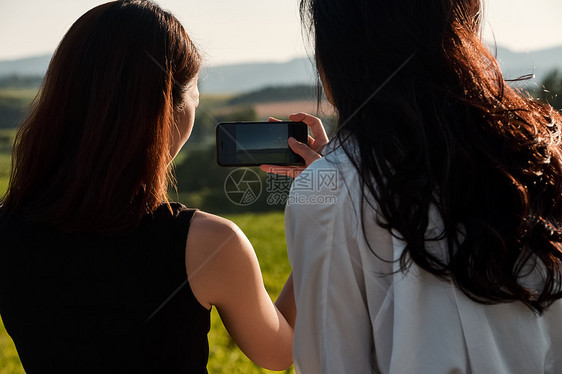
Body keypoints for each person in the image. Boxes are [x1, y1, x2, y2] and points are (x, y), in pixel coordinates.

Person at [262, 0, 562, 372]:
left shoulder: (330, 193)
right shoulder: (539, 154)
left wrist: (333, 183)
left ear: (338, 54)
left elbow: (333, 362)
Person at [0, 1, 295, 373]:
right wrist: (321, 220)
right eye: (194, 89)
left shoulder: (8, 232)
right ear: (168, 106)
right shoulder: (209, 243)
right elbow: (278, 353)